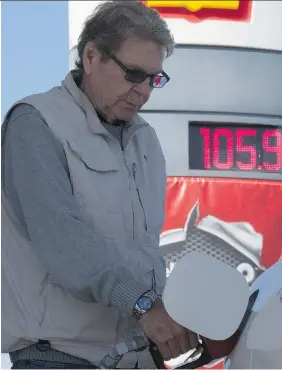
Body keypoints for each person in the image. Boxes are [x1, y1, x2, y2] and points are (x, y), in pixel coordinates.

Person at [1, 1, 199, 368]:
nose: (143, 91)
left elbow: (142, 255)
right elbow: (61, 238)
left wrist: (171, 315)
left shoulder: (146, 142)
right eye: (133, 74)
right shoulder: (36, 123)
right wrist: (143, 304)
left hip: (135, 358)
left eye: (154, 79)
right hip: (59, 357)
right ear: (91, 56)